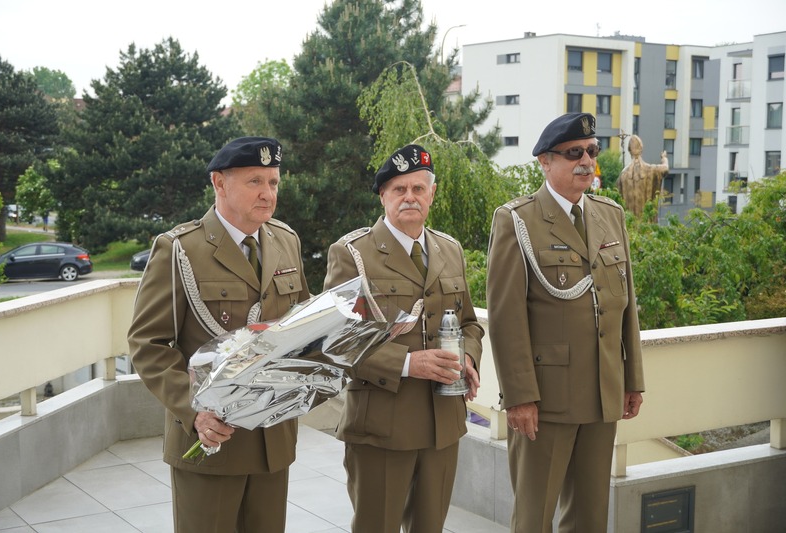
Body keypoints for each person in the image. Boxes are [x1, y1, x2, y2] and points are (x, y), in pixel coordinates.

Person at [128, 136, 310, 533]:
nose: (267, 193)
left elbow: (302, 323)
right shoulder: (180, 249)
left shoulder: (286, 240)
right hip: (211, 437)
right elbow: (148, 344)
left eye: (273, 182)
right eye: (255, 181)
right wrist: (194, 411)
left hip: (273, 438)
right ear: (219, 183)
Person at [487, 113, 645, 533]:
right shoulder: (517, 220)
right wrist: (520, 397)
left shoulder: (610, 214)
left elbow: (626, 305)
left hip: (603, 393)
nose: (586, 161)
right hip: (547, 401)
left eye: (592, 151)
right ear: (545, 161)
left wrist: (632, 379)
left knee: (590, 517)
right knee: (534, 517)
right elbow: (505, 317)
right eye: (574, 153)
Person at [323, 144, 483, 533]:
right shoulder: (352, 253)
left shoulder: (450, 250)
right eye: (399, 189)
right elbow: (336, 340)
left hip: (443, 424)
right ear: (383, 196)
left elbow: (469, 323)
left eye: (418, 188)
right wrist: (409, 364)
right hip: (381, 425)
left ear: (432, 194)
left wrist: (468, 358)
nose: (409, 197)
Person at [617, 134, 669, 219]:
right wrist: (664, 158)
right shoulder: (650, 170)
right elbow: (665, 169)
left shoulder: (623, 175)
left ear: (629, 150)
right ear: (641, 148)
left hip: (629, 223)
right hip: (646, 224)